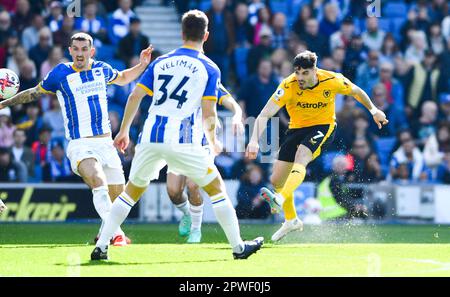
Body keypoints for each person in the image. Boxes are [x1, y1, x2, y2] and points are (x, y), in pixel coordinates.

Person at [91, 10, 263, 261]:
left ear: (182, 34)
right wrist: (213, 140)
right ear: (206, 35)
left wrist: (124, 130)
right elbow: (208, 111)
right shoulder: (208, 67)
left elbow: (134, 96)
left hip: (150, 137)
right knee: (217, 191)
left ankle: (102, 246)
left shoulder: (160, 62)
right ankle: (238, 248)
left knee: (129, 194)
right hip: (183, 140)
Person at [0, 32, 153, 246]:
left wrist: (142, 64)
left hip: (106, 143)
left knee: (118, 199)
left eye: (84, 49)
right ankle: (116, 234)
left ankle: (103, 234)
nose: (80, 54)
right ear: (70, 51)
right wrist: (4, 104)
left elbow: (124, 78)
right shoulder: (60, 74)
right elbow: (34, 93)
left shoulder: (102, 69)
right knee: (98, 181)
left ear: (91, 51)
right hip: (81, 144)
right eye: (76, 49)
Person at [245, 50, 388, 241]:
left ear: (314, 70)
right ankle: (291, 220)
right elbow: (264, 114)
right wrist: (254, 140)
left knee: (302, 157)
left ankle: (279, 198)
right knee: (277, 180)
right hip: (296, 129)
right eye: (297, 72)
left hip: (323, 126)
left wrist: (374, 110)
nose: (300, 77)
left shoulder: (332, 80)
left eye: (305, 73)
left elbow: (356, 91)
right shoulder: (288, 85)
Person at [167, 84, 244, 243]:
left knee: (193, 185)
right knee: (173, 191)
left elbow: (230, 101)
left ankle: (196, 230)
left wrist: (237, 115)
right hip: (179, 139)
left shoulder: (209, 77)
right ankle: (188, 213)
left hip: (204, 141)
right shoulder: (178, 77)